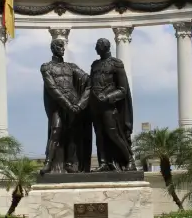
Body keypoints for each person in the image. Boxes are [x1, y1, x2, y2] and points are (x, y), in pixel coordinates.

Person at [80, 38, 135, 171]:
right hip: (95, 106)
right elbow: (91, 84)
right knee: (99, 134)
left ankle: (129, 160)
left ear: (105, 47)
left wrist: (107, 97)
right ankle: (104, 163)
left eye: (98, 46)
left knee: (113, 134)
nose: (96, 48)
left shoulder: (116, 64)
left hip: (109, 107)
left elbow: (123, 89)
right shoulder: (95, 65)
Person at [40, 39, 91, 174]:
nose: (62, 48)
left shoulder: (71, 67)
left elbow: (88, 80)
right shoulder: (46, 67)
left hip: (74, 103)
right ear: (53, 48)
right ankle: (48, 163)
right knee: (55, 131)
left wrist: (81, 103)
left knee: (73, 133)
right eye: (59, 46)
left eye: (63, 46)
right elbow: (52, 89)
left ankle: (70, 163)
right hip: (59, 105)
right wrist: (68, 105)